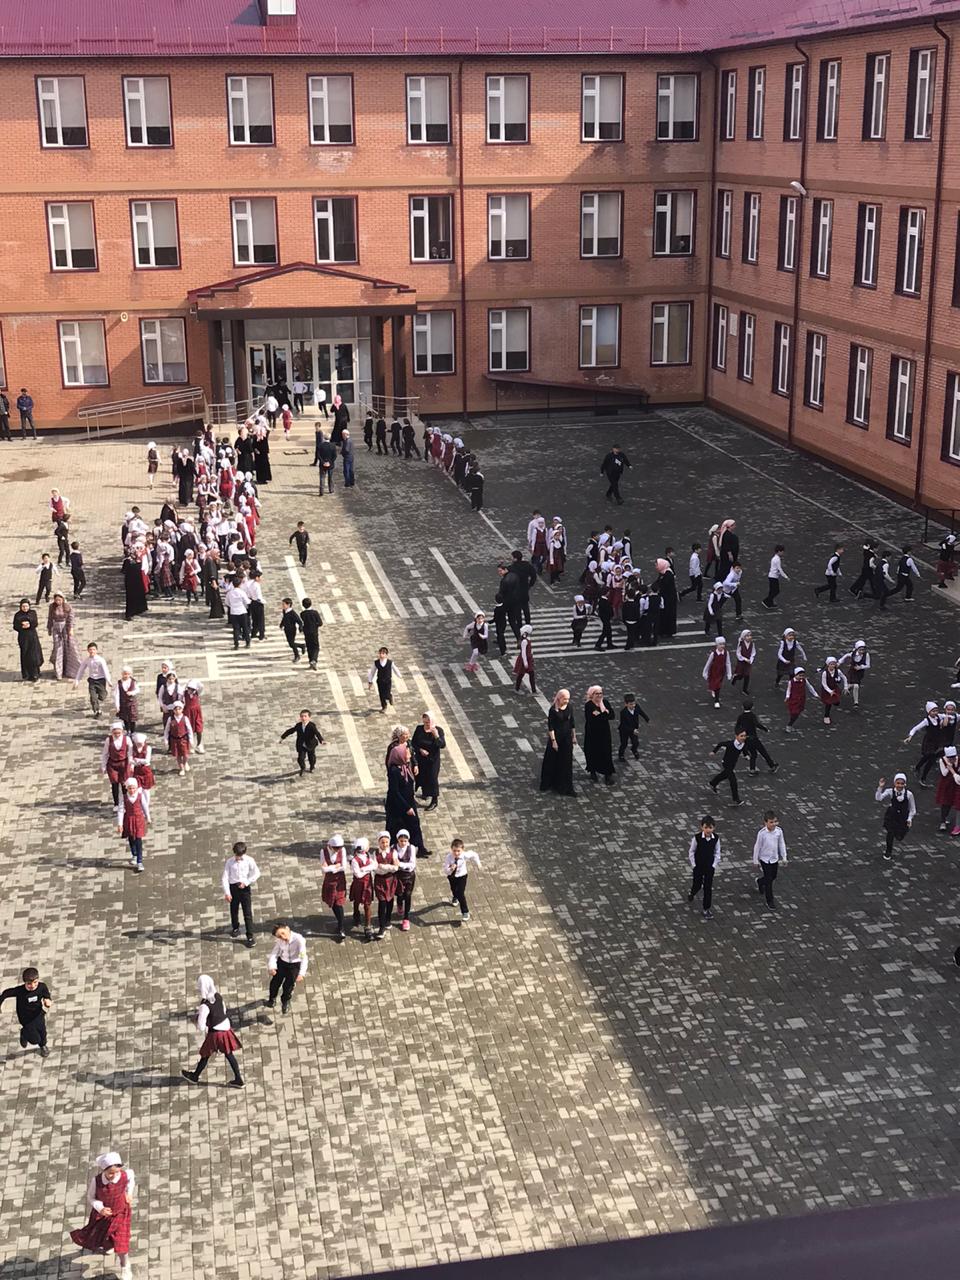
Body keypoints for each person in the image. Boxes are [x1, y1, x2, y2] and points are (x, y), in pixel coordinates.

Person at [69, 1152, 135, 1280]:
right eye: (110, 1173)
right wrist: (100, 1208)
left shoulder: (125, 1175)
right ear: (104, 1170)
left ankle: (125, 1266)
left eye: (116, 1172)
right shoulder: (97, 1181)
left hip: (121, 1213)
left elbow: (131, 1179)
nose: (114, 1175)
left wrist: (129, 1193)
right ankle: (108, 1245)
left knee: (121, 1243)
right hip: (104, 1216)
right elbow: (91, 1197)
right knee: (102, 1235)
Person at [181, 974, 244, 1088]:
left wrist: (196, 1020)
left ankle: (195, 1076)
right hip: (226, 1029)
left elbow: (201, 1026)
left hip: (216, 1033)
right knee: (229, 1054)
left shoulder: (204, 1006)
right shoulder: (218, 996)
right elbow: (223, 1011)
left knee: (205, 1054)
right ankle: (239, 1079)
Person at [1, 966, 52, 1058]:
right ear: (25, 982)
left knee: (43, 1032)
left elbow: (46, 995)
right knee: (35, 1039)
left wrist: (47, 1001)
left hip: (38, 1015)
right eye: (29, 984)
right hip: (26, 1019)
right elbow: (5, 993)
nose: (33, 986)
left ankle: (43, 1046)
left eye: (35, 982)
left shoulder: (42, 987)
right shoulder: (19, 991)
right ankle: (24, 1034)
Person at [385, 743, 426, 850]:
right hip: (398, 804)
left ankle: (419, 847)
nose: (409, 756)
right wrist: (406, 808)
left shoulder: (406, 766)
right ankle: (393, 849)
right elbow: (394, 792)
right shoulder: (394, 771)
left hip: (409, 801)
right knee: (396, 827)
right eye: (407, 754)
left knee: (414, 824)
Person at [540, 688, 577, 796]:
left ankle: (566, 787)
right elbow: (550, 727)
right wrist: (553, 741)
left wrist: (574, 736)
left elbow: (572, 722)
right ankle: (549, 782)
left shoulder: (569, 707)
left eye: (568, 699)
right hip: (557, 738)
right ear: (559, 698)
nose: (566, 701)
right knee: (552, 760)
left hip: (567, 738)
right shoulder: (553, 710)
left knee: (566, 762)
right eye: (564, 699)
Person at [265, 923, 308, 1014]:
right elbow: (274, 953)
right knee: (275, 983)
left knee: (288, 986)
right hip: (282, 963)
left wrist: (301, 973)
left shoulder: (299, 939)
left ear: (287, 929)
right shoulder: (280, 941)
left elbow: (303, 957)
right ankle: (272, 999)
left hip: (294, 965)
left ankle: (285, 1001)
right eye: (279, 936)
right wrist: (272, 966)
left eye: (283, 933)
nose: (283, 937)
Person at [875, 774, 916, 861]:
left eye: (902, 783)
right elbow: (879, 798)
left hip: (902, 817)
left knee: (899, 836)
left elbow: (913, 809)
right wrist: (880, 787)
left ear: (905, 784)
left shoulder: (909, 794)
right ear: (894, 783)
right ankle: (888, 851)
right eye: (898, 783)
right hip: (892, 815)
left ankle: (898, 834)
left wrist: (909, 819)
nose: (900, 785)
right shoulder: (890, 791)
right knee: (890, 833)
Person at [687, 816, 721, 920]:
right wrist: (694, 865)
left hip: (709, 867)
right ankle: (692, 893)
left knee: (708, 888)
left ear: (713, 828)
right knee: (697, 883)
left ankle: (706, 908)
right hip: (698, 866)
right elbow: (692, 851)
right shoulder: (697, 838)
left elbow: (717, 852)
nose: (708, 830)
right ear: (702, 827)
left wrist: (713, 865)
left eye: (710, 828)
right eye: (706, 827)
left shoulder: (716, 839)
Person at [411, 712, 445, 811]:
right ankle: (425, 793)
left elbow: (442, 745)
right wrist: (420, 750)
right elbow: (413, 743)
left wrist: (436, 736)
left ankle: (434, 800)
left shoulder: (438, 730)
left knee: (432, 778)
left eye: (428, 722)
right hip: (421, 759)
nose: (426, 724)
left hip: (432, 760)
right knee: (422, 776)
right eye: (425, 722)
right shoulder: (419, 729)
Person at [753, 811, 787, 908]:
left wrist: (784, 857)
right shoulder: (762, 834)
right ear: (765, 823)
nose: (774, 824)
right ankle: (770, 900)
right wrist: (755, 860)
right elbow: (757, 847)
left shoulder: (779, 831)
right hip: (765, 859)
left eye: (775, 822)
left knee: (773, 876)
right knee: (769, 881)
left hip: (774, 858)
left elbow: (781, 844)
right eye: (771, 822)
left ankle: (760, 882)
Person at [735, 699, 778, 775]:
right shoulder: (752, 716)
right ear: (752, 707)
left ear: (742, 707)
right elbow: (757, 724)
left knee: (753, 754)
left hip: (746, 739)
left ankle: (752, 770)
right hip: (754, 738)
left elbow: (737, 726)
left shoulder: (741, 716)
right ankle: (772, 765)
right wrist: (765, 729)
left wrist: (739, 735)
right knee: (763, 752)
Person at [583, 685, 615, 785]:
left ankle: (608, 774)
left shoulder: (605, 702)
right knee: (592, 751)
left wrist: (602, 714)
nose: (599, 695)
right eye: (597, 694)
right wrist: (604, 713)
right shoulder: (589, 705)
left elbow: (612, 715)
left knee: (606, 752)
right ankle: (592, 771)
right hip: (592, 733)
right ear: (592, 695)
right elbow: (592, 718)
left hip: (604, 732)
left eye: (601, 693)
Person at [117, 776, 150, 872]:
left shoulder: (140, 795)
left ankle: (140, 861)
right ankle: (134, 854)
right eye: (130, 788)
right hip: (129, 819)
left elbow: (144, 806)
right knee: (131, 838)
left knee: (138, 839)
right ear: (127, 788)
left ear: (136, 788)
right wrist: (120, 824)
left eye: (133, 788)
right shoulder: (124, 798)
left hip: (139, 819)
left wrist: (148, 817)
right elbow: (120, 810)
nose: (132, 790)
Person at [444, 838, 481, 922]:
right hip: (452, 876)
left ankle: (465, 912)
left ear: (462, 850)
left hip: (462, 876)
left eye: (458, 851)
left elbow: (474, 854)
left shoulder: (464, 855)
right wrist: (451, 868)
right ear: (451, 849)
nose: (456, 853)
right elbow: (445, 870)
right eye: (454, 851)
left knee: (461, 893)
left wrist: (478, 863)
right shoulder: (448, 857)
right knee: (454, 889)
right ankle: (455, 897)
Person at [320, 834, 349, 942]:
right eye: (336, 848)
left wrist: (331, 868)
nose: (338, 850)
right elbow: (323, 869)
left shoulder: (343, 850)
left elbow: (344, 867)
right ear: (330, 846)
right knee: (332, 901)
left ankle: (341, 927)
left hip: (340, 880)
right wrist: (335, 866)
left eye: (339, 848)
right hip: (329, 881)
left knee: (339, 902)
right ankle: (339, 922)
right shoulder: (323, 852)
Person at [280, 709, 325, 775]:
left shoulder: (312, 726)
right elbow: (290, 731)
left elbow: (317, 733)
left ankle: (312, 767)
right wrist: (282, 738)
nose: (303, 718)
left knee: (311, 757)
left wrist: (321, 740)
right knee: (300, 759)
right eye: (302, 716)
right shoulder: (298, 725)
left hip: (310, 744)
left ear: (309, 717)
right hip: (301, 745)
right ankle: (303, 768)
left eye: (305, 716)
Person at [708, 730, 748, 805]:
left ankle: (713, 783)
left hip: (732, 765)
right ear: (736, 736)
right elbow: (720, 744)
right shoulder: (731, 744)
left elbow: (744, 751)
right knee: (733, 781)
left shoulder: (743, 744)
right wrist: (714, 752)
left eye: (744, 736)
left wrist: (746, 756)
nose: (743, 737)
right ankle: (736, 799)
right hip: (726, 763)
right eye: (741, 736)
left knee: (724, 775)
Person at [47, 594, 80, 680]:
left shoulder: (67, 606)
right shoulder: (52, 607)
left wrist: (71, 628)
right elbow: (50, 618)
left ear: (62, 599)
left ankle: (70, 670)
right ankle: (59, 672)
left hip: (65, 628)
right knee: (58, 648)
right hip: (56, 629)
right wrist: (49, 628)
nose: (58, 602)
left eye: (59, 600)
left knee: (69, 647)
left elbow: (71, 618)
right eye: (56, 600)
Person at [75, 641, 111, 713]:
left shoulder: (101, 660)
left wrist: (108, 680)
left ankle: (103, 693)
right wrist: (77, 681)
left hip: (101, 680)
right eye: (90, 649)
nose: (92, 651)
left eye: (93, 649)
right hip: (92, 681)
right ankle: (97, 710)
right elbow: (81, 670)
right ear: (88, 650)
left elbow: (105, 670)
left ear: (96, 650)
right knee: (93, 697)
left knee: (102, 697)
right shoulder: (87, 660)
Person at [13, 599, 43, 683]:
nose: (25, 608)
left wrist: (29, 624)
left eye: (26, 606)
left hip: (32, 636)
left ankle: (35, 673)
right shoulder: (17, 615)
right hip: (23, 637)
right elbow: (15, 626)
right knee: (25, 655)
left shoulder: (32, 613)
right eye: (23, 606)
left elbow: (35, 623)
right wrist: (21, 626)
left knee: (33, 655)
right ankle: (27, 674)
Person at [164, 700, 195, 776]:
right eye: (176, 709)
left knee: (185, 754)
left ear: (182, 709)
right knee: (178, 755)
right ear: (173, 710)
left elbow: (189, 730)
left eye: (179, 709)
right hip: (174, 740)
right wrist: (166, 740)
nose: (177, 711)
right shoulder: (170, 719)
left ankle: (185, 763)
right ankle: (181, 768)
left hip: (184, 739)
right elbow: (167, 730)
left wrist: (191, 740)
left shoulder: (185, 718)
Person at [617, 693, 649, 761]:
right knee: (624, 743)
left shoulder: (636, 707)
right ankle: (621, 755)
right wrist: (632, 730)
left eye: (634, 703)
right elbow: (624, 725)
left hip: (634, 728)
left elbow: (641, 713)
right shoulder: (623, 713)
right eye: (631, 704)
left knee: (635, 742)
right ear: (626, 704)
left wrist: (647, 719)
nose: (633, 705)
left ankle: (634, 750)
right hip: (624, 730)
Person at [702, 635, 732, 710]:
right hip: (714, 672)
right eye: (720, 644)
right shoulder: (713, 654)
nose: (722, 646)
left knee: (717, 684)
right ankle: (717, 701)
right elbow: (708, 663)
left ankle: (714, 691)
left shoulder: (726, 653)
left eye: (723, 644)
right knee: (717, 685)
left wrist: (729, 673)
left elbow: (728, 663)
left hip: (721, 672)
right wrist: (705, 672)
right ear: (716, 645)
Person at [762, 545, 789, 609]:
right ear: (779, 551)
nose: (783, 553)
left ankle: (770, 603)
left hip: (772, 576)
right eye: (782, 552)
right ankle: (766, 601)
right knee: (776, 591)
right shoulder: (777, 559)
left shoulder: (775, 558)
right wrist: (786, 576)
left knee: (772, 591)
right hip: (773, 577)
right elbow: (779, 569)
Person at [300, 597, 323, 669]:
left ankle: (310, 661)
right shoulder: (315, 613)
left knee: (309, 647)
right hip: (314, 632)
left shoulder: (302, 614)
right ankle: (314, 660)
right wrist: (315, 625)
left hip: (307, 632)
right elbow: (320, 623)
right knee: (316, 647)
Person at [514, 623, 536, 692]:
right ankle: (517, 688)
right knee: (521, 674)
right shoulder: (524, 641)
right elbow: (523, 652)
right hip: (525, 660)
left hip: (528, 659)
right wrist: (525, 662)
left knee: (529, 674)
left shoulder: (526, 640)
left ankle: (533, 690)